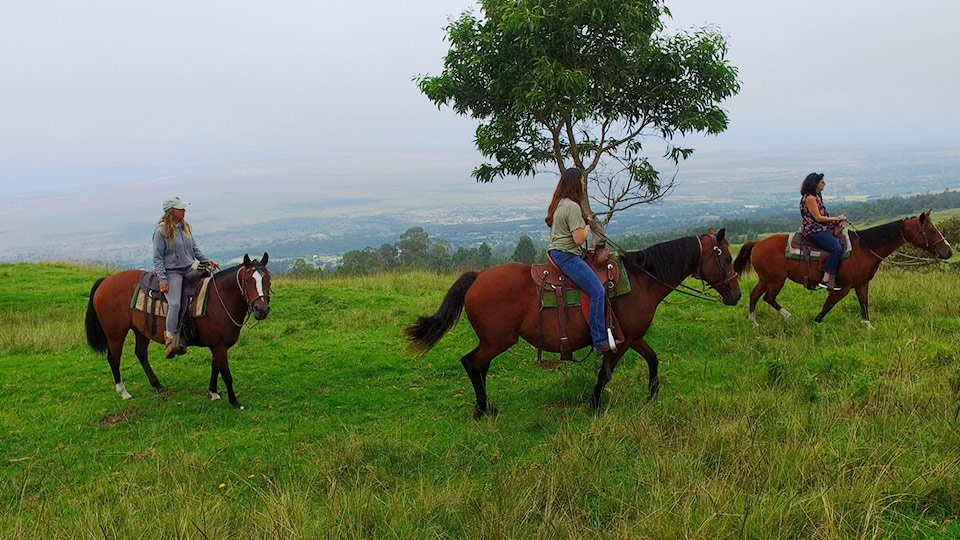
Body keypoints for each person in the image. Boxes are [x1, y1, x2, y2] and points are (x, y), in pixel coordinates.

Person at [546, 167, 614, 354]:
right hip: (566, 255)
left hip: (558, 252)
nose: (584, 184)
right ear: (576, 183)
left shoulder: (560, 203)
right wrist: (587, 225)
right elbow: (579, 239)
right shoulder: (573, 207)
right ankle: (599, 340)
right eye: (582, 181)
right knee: (597, 291)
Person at [153, 196, 218, 358]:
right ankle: (170, 339)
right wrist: (163, 280)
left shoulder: (185, 227)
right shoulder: (161, 232)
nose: (184, 210)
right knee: (174, 303)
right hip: (173, 272)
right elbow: (158, 258)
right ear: (171, 211)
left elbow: (194, 249)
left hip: (189, 269)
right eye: (180, 208)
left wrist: (206, 261)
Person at [799, 172, 847, 290]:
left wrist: (834, 222)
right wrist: (836, 218)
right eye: (822, 182)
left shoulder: (817, 196)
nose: (824, 183)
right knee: (836, 248)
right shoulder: (810, 198)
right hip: (814, 229)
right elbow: (818, 218)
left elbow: (823, 215)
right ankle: (825, 279)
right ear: (815, 184)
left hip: (822, 227)